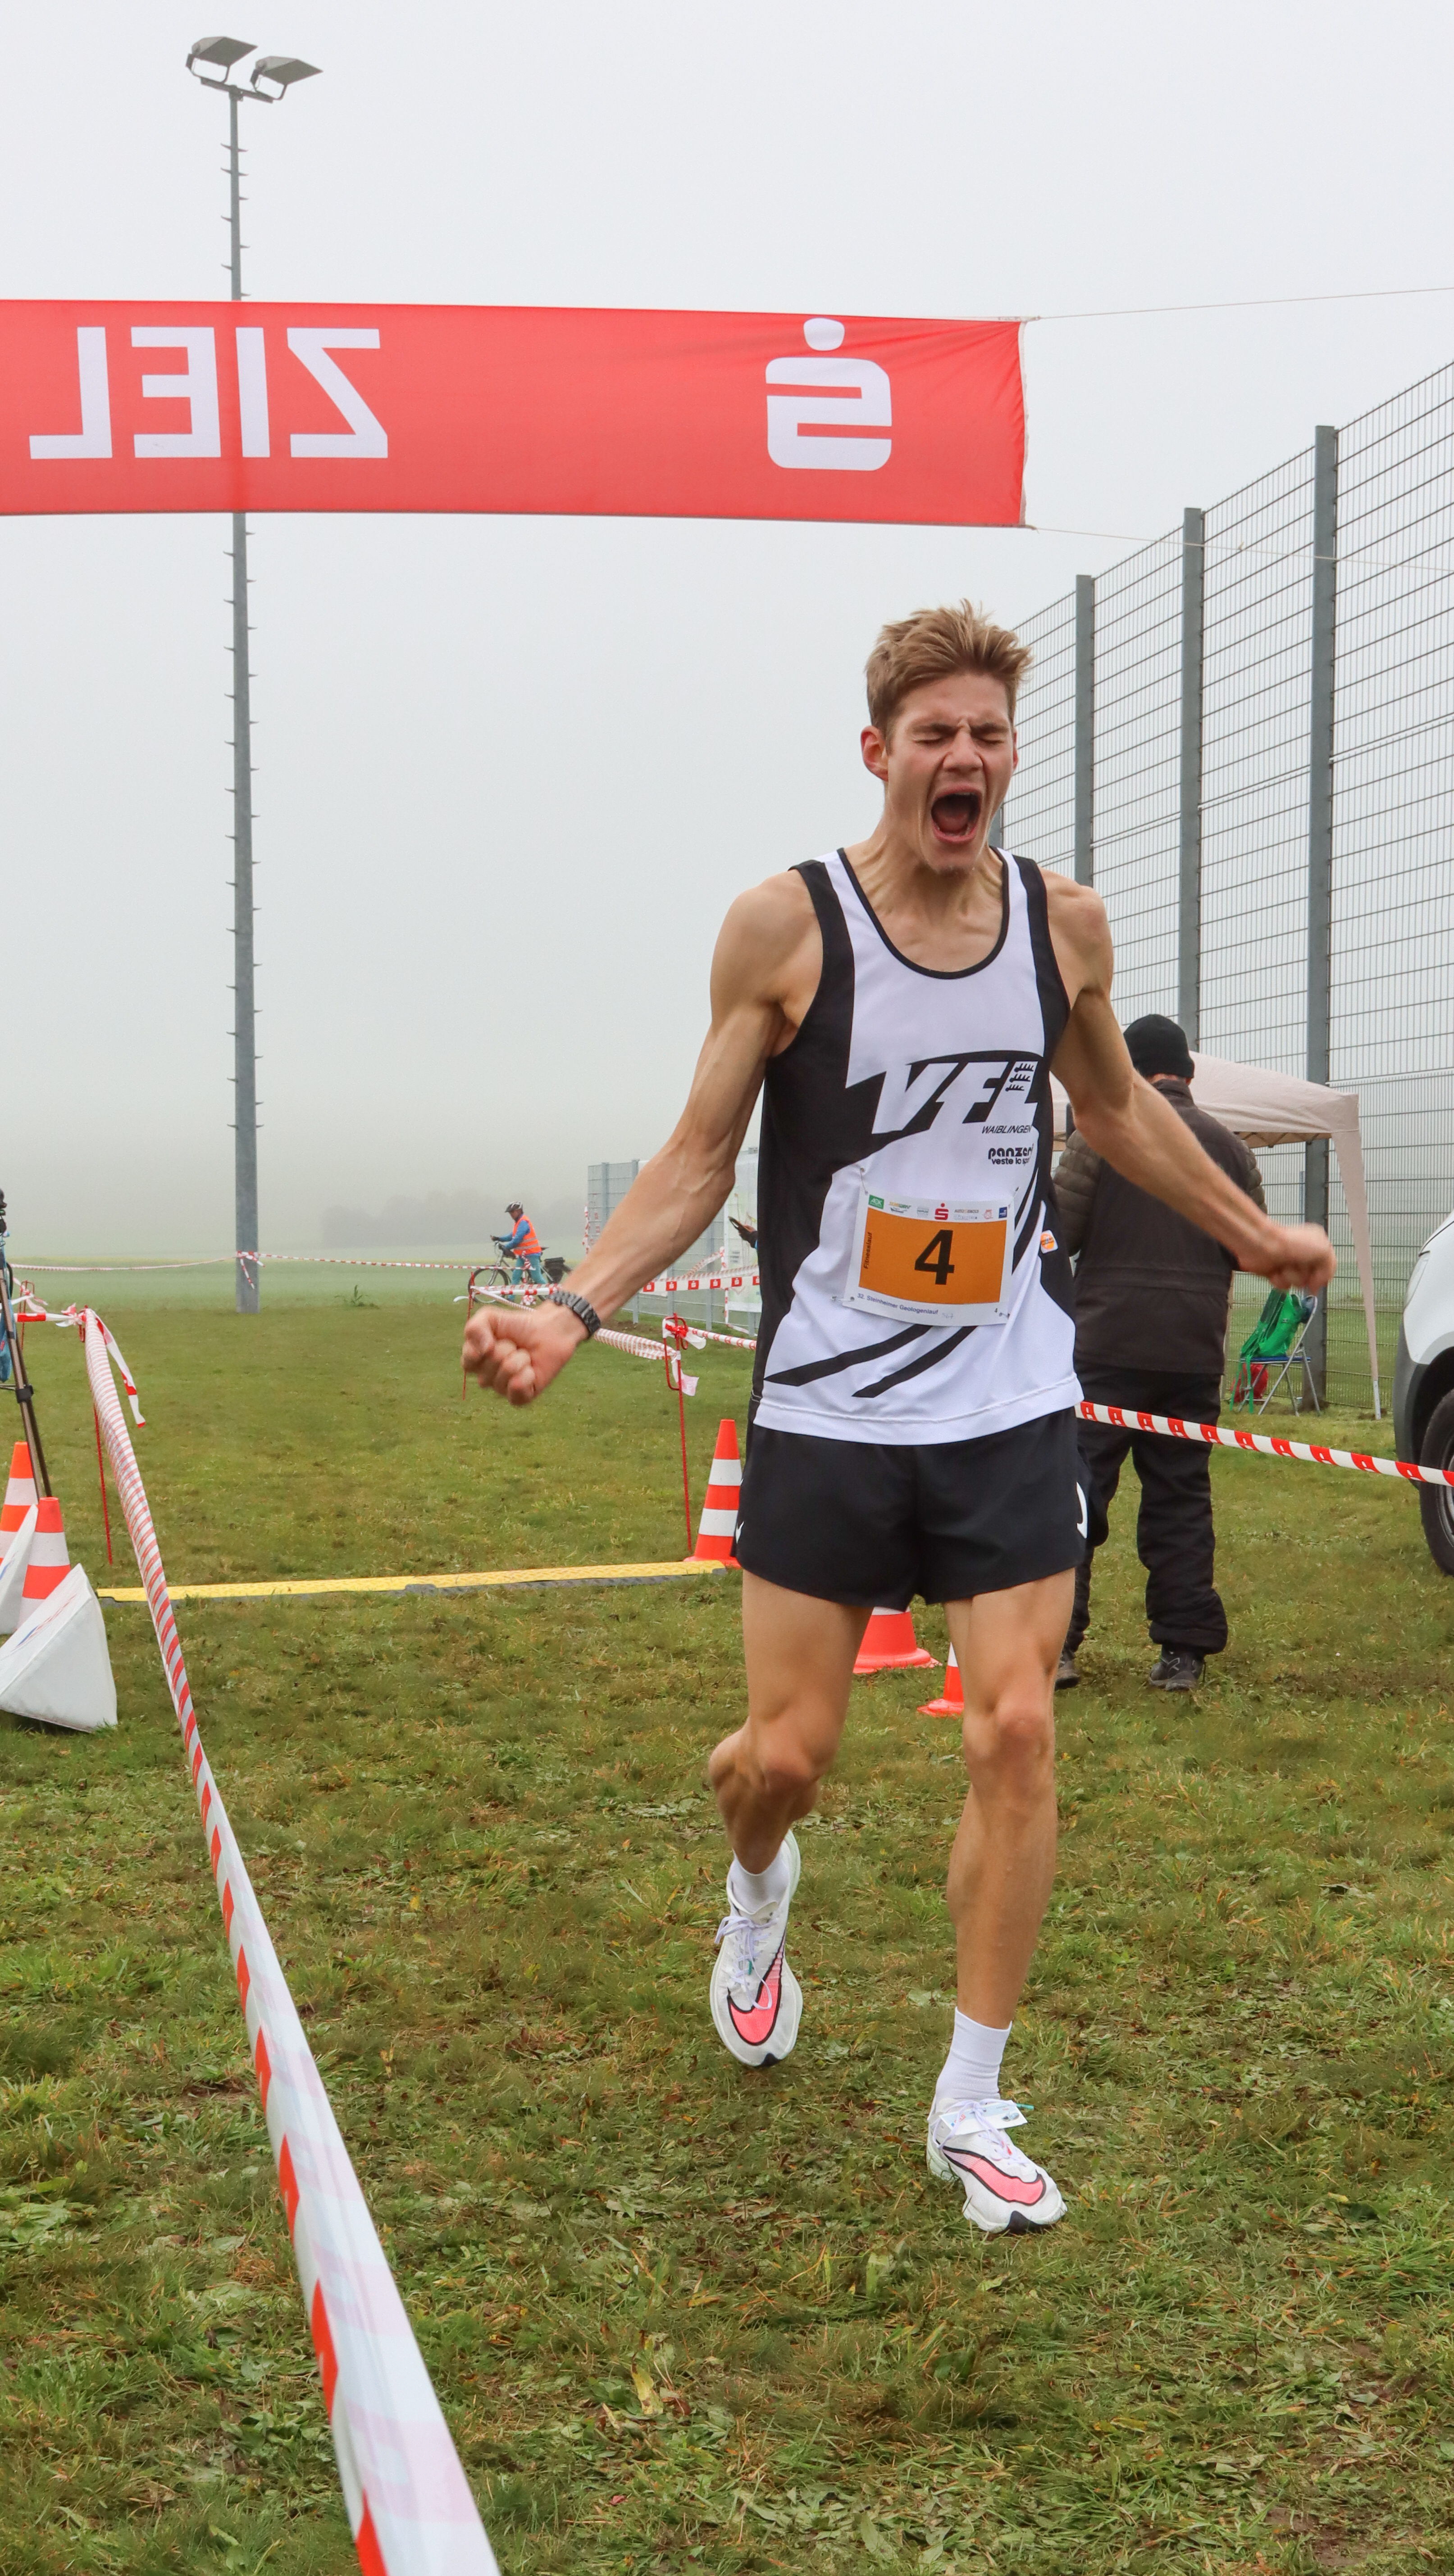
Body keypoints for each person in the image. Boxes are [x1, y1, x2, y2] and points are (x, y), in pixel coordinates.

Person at [462, 602, 1333, 2237]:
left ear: (1006, 757)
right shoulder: (784, 929)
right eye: (935, 733)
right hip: (828, 1402)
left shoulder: (1060, 926)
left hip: (1006, 1392)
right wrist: (572, 1309)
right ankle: (755, 1891)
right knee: (783, 1755)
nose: (964, 758)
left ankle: (971, 2099)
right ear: (878, 751)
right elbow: (698, 1157)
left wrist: (1246, 1227)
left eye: (988, 734)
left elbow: (1112, 1105)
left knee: (1014, 1730)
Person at [1055, 1014, 1266, 1695]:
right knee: (1180, 1497)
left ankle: (1056, 1645)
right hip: (1191, 1351)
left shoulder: (1099, 1134)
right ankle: (1183, 1651)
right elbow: (1249, 1247)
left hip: (1105, 1346)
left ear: (1128, 1068)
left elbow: (1058, 1232)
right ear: (1186, 1073)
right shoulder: (1229, 1148)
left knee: (1075, 1491)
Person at [500, 1203, 545, 1286]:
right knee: (516, 1276)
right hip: (523, 1255)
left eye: (512, 1212)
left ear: (519, 1211)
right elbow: (512, 1235)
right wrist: (500, 1239)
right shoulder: (518, 1222)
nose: (511, 1215)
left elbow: (517, 1239)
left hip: (531, 1254)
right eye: (510, 1213)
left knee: (537, 1278)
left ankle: (553, 1294)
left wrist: (506, 1247)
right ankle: (512, 1295)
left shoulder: (523, 1222)